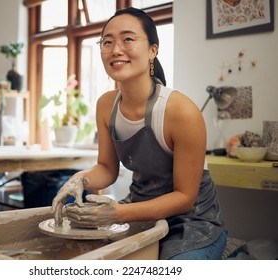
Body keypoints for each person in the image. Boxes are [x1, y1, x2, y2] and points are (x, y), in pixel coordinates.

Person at [52, 7, 227, 260]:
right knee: (77, 255)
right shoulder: (106, 105)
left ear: (153, 50)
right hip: (138, 211)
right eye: (107, 42)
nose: (115, 50)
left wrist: (116, 214)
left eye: (128, 39)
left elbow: (184, 198)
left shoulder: (181, 112)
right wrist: (79, 179)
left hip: (192, 223)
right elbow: (106, 169)